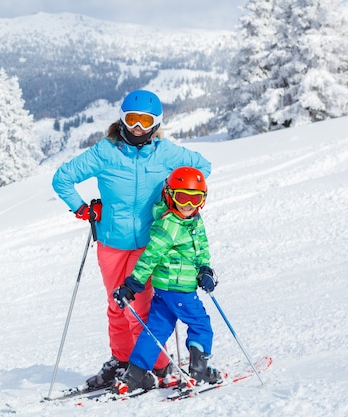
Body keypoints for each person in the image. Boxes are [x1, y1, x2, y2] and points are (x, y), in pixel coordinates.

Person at [51, 90, 212, 390]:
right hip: (111, 243)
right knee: (117, 305)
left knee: (140, 307)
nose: (138, 126)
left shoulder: (166, 153)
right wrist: (82, 207)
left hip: (150, 245)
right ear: (122, 119)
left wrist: (175, 200)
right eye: (132, 119)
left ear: (156, 123)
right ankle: (123, 361)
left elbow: (202, 167)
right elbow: (62, 178)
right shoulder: (105, 152)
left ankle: (156, 365)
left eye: (145, 120)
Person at [111, 166, 221, 394]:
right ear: (170, 195)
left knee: (156, 330)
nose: (188, 205)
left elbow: (201, 248)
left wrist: (205, 270)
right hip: (179, 289)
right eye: (182, 197)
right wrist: (132, 284)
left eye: (195, 198)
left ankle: (135, 375)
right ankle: (199, 372)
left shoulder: (193, 220)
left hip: (166, 290)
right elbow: (149, 257)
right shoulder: (169, 224)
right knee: (201, 325)